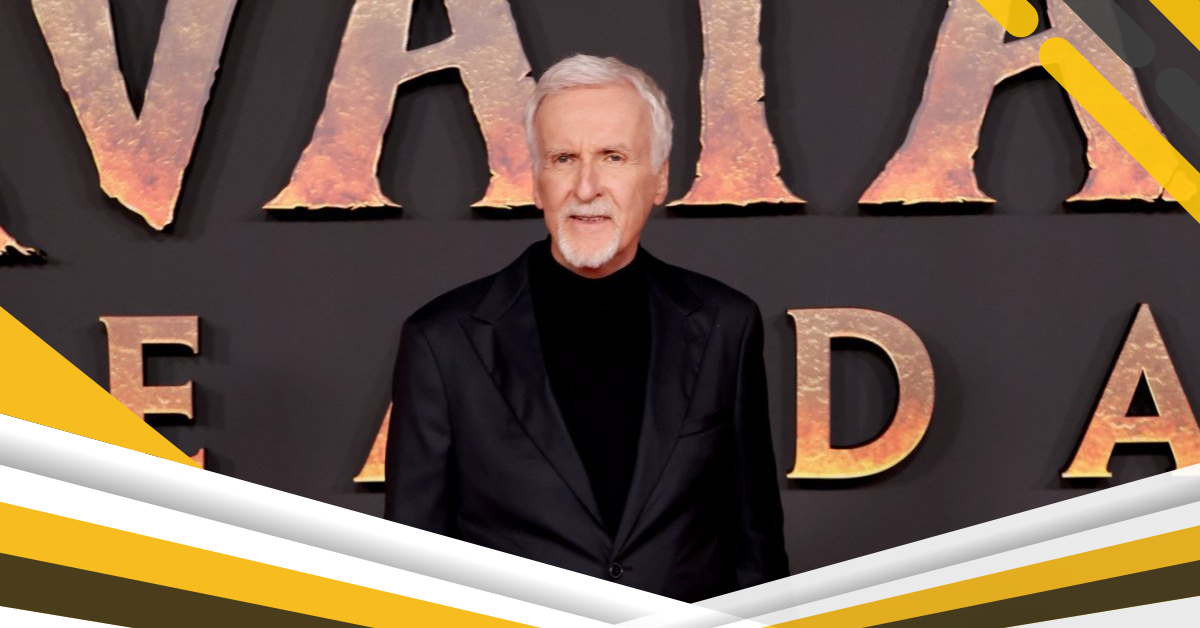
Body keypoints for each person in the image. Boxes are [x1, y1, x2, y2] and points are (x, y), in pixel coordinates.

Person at [384, 54, 788, 602]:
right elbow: (414, 568)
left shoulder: (725, 324)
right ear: (537, 182)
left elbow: (755, 549)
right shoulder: (443, 339)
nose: (586, 186)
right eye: (563, 158)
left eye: (613, 157)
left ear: (659, 179)